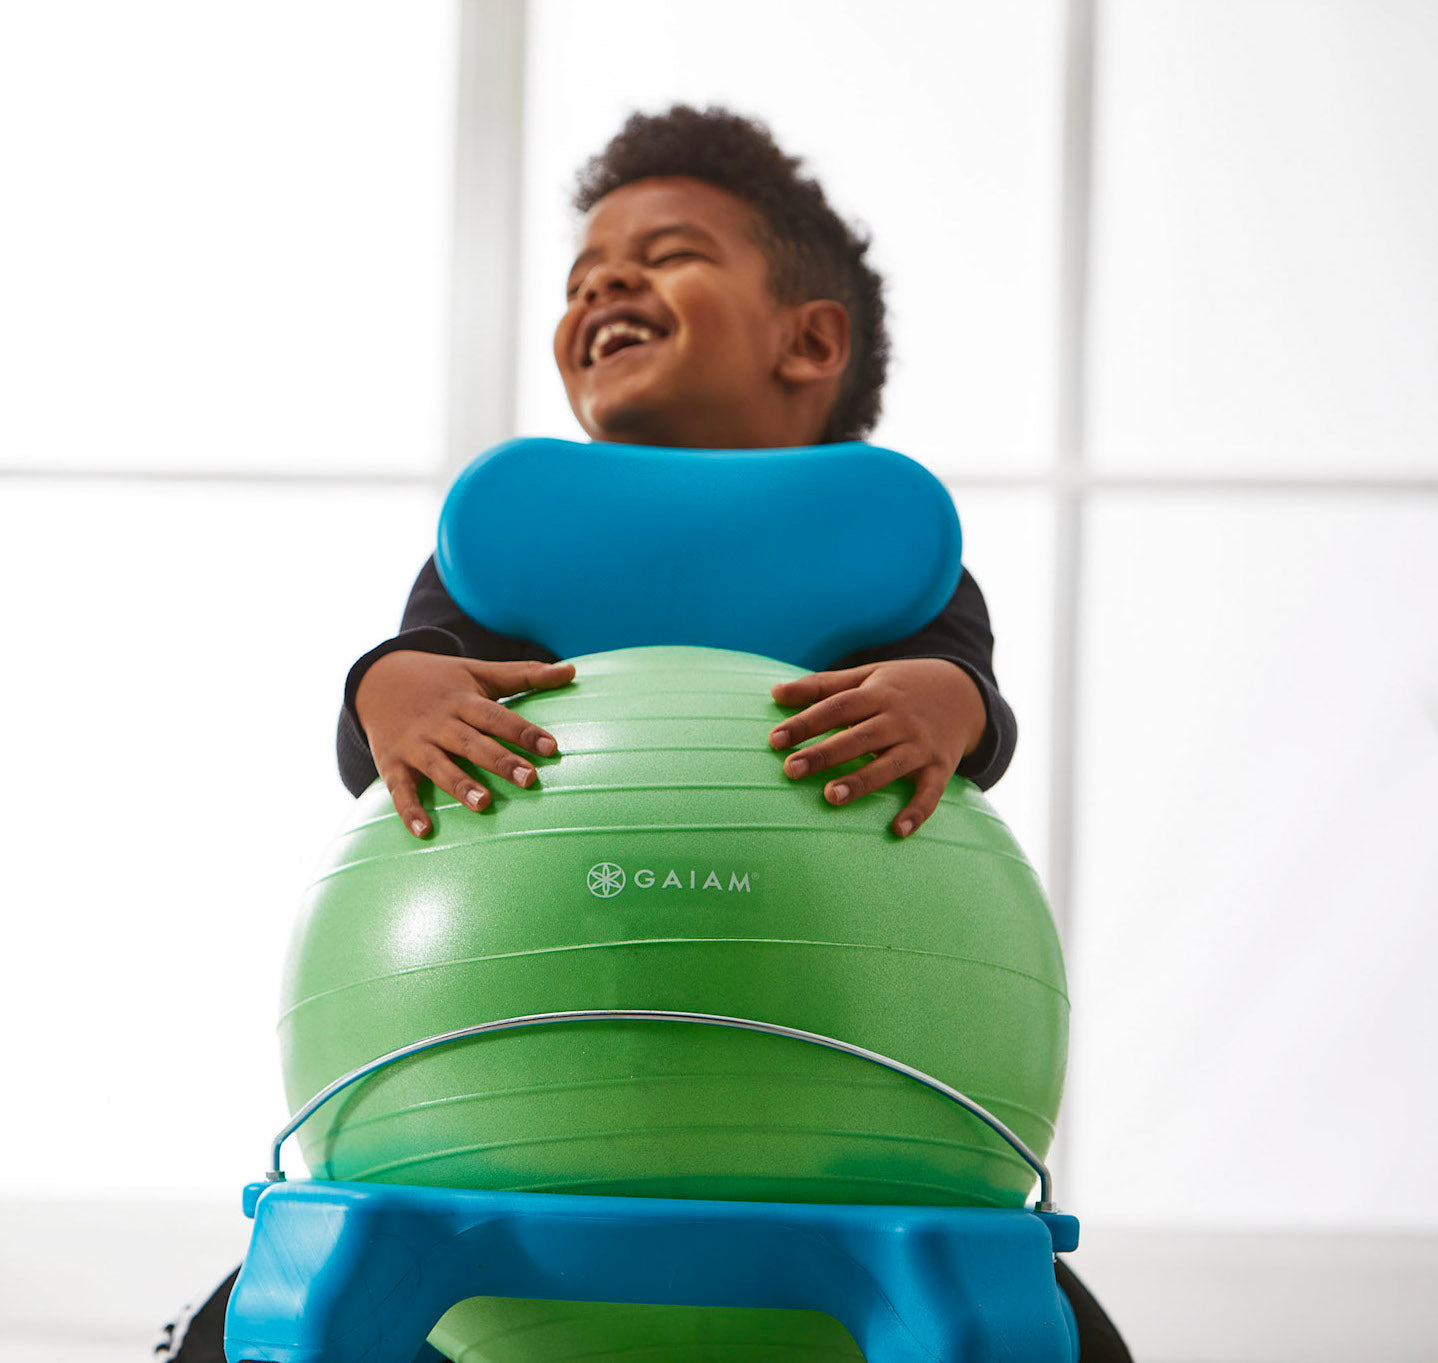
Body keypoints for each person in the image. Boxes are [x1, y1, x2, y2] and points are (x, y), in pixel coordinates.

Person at [158, 104, 1129, 1363]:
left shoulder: (885, 557)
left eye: (668, 252)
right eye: (582, 277)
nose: (607, 280)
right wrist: (384, 686)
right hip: (473, 1101)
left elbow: (962, 700)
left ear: (810, 339)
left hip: (853, 1099)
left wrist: (943, 701)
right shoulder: (512, 551)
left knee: (1067, 1329)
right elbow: (403, 707)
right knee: (250, 1316)